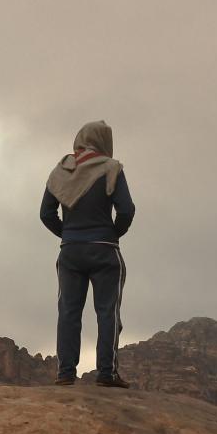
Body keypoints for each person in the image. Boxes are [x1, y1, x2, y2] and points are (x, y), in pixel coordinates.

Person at [40, 120, 136, 387]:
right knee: (107, 312)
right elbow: (126, 210)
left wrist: (68, 234)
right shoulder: (111, 168)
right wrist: (112, 234)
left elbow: (45, 214)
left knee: (69, 311)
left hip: (70, 252)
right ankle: (107, 374)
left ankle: (65, 373)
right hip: (104, 251)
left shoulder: (60, 171)